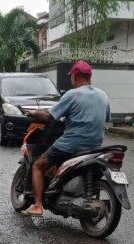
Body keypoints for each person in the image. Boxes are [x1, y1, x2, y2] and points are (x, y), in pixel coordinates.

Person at [21, 60, 110, 217]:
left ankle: (37, 205)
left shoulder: (72, 95)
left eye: (71, 77)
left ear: (75, 76)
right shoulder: (103, 95)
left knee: (38, 166)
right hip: (95, 145)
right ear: (89, 77)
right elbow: (105, 118)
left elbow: (49, 116)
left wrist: (34, 112)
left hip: (71, 145)